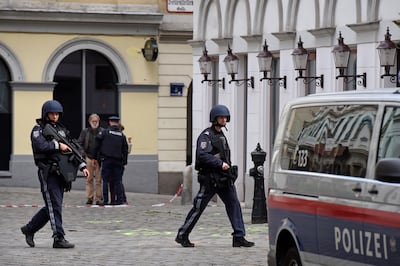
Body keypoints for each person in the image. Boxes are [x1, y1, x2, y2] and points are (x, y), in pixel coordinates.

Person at [175, 105, 254, 248]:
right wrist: (220, 163)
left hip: (224, 179)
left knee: (234, 205)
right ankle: (183, 234)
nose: (224, 120)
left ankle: (239, 236)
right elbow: (202, 155)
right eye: (221, 117)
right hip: (210, 179)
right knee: (198, 207)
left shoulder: (221, 135)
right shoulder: (206, 136)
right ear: (214, 119)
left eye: (225, 117)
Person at [21, 100, 90, 248]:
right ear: (46, 114)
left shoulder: (61, 130)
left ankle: (30, 229)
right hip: (48, 172)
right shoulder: (38, 129)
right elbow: (40, 145)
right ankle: (58, 237)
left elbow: (73, 148)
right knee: (54, 206)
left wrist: (82, 165)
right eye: (52, 114)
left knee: (53, 206)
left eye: (57, 114)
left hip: (61, 174)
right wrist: (58, 145)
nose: (55, 116)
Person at [94, 116, 128, 205]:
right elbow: (125, 149)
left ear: (110, 122)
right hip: (118, 161)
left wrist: (96, 158)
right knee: (118, 181)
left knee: (105, 180)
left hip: (107, 160)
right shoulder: (122, 135)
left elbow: (96, 144)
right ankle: (120, 200)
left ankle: (105, 200)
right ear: (118, 123)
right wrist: (124, 162)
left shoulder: (105, 132)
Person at [77, 113, 103, 205]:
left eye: (96, 121)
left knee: (99, 180)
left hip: (99, 159)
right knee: (89, 179)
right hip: (88, 157)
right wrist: (83, 154)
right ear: (89, 121)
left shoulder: (102, 131)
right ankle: (90, 197)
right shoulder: (85, 132)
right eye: (93, 121)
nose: (95, 123)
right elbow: (79, 143)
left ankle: (99, 198)